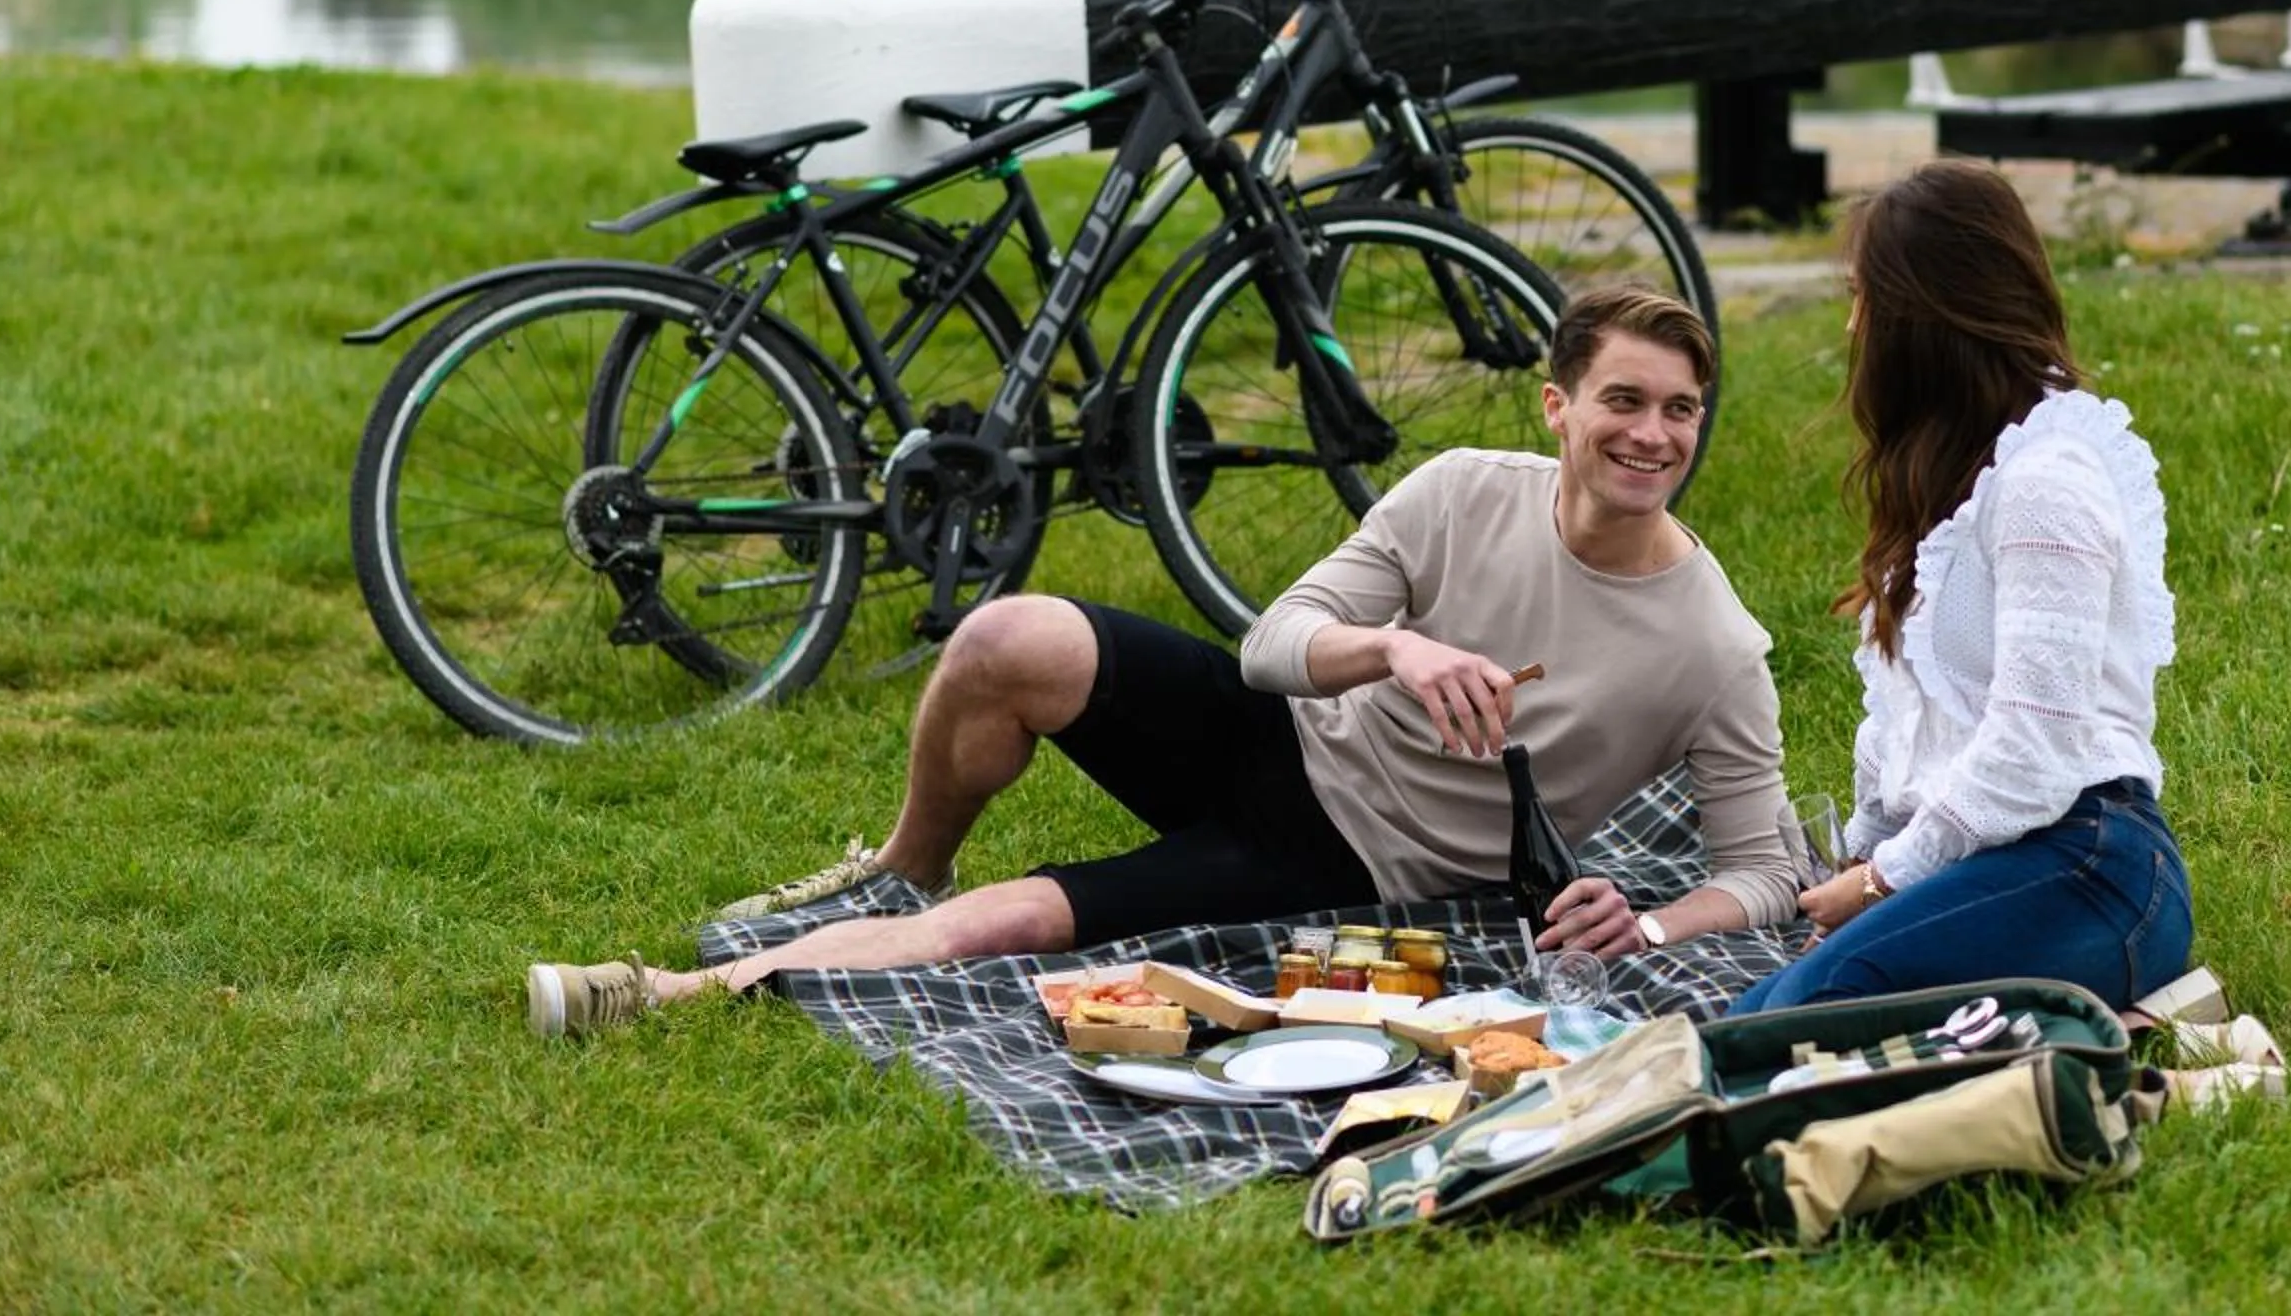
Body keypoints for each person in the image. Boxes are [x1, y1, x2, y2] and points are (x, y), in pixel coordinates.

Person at [527, 284, 1800, 1037]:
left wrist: (1649, 919)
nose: (1652, 434)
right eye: (1623, 399)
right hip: (1277, 734)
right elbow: (1270, 643)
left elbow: (1766, 869)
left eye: (1679, 408)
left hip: (1350, 861)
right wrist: (1394, 647)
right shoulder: (1466, 486)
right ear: (1558, 406)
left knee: (1017, 920)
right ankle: (905, 863)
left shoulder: (1715, 642)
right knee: (1005, 633)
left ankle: (662, 990)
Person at [1731, 159, 2192, 1015]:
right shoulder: (1955, 482)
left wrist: (1883, 880)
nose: (1852, 325)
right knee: (1758, 1009)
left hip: (2090, 865)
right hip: (1984, 861)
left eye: (1863, 298)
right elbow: (1913, 733)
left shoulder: (2047, 483)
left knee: (1799, 1014)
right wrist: (1857, 862)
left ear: (1922, 315)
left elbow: (2035, 750)